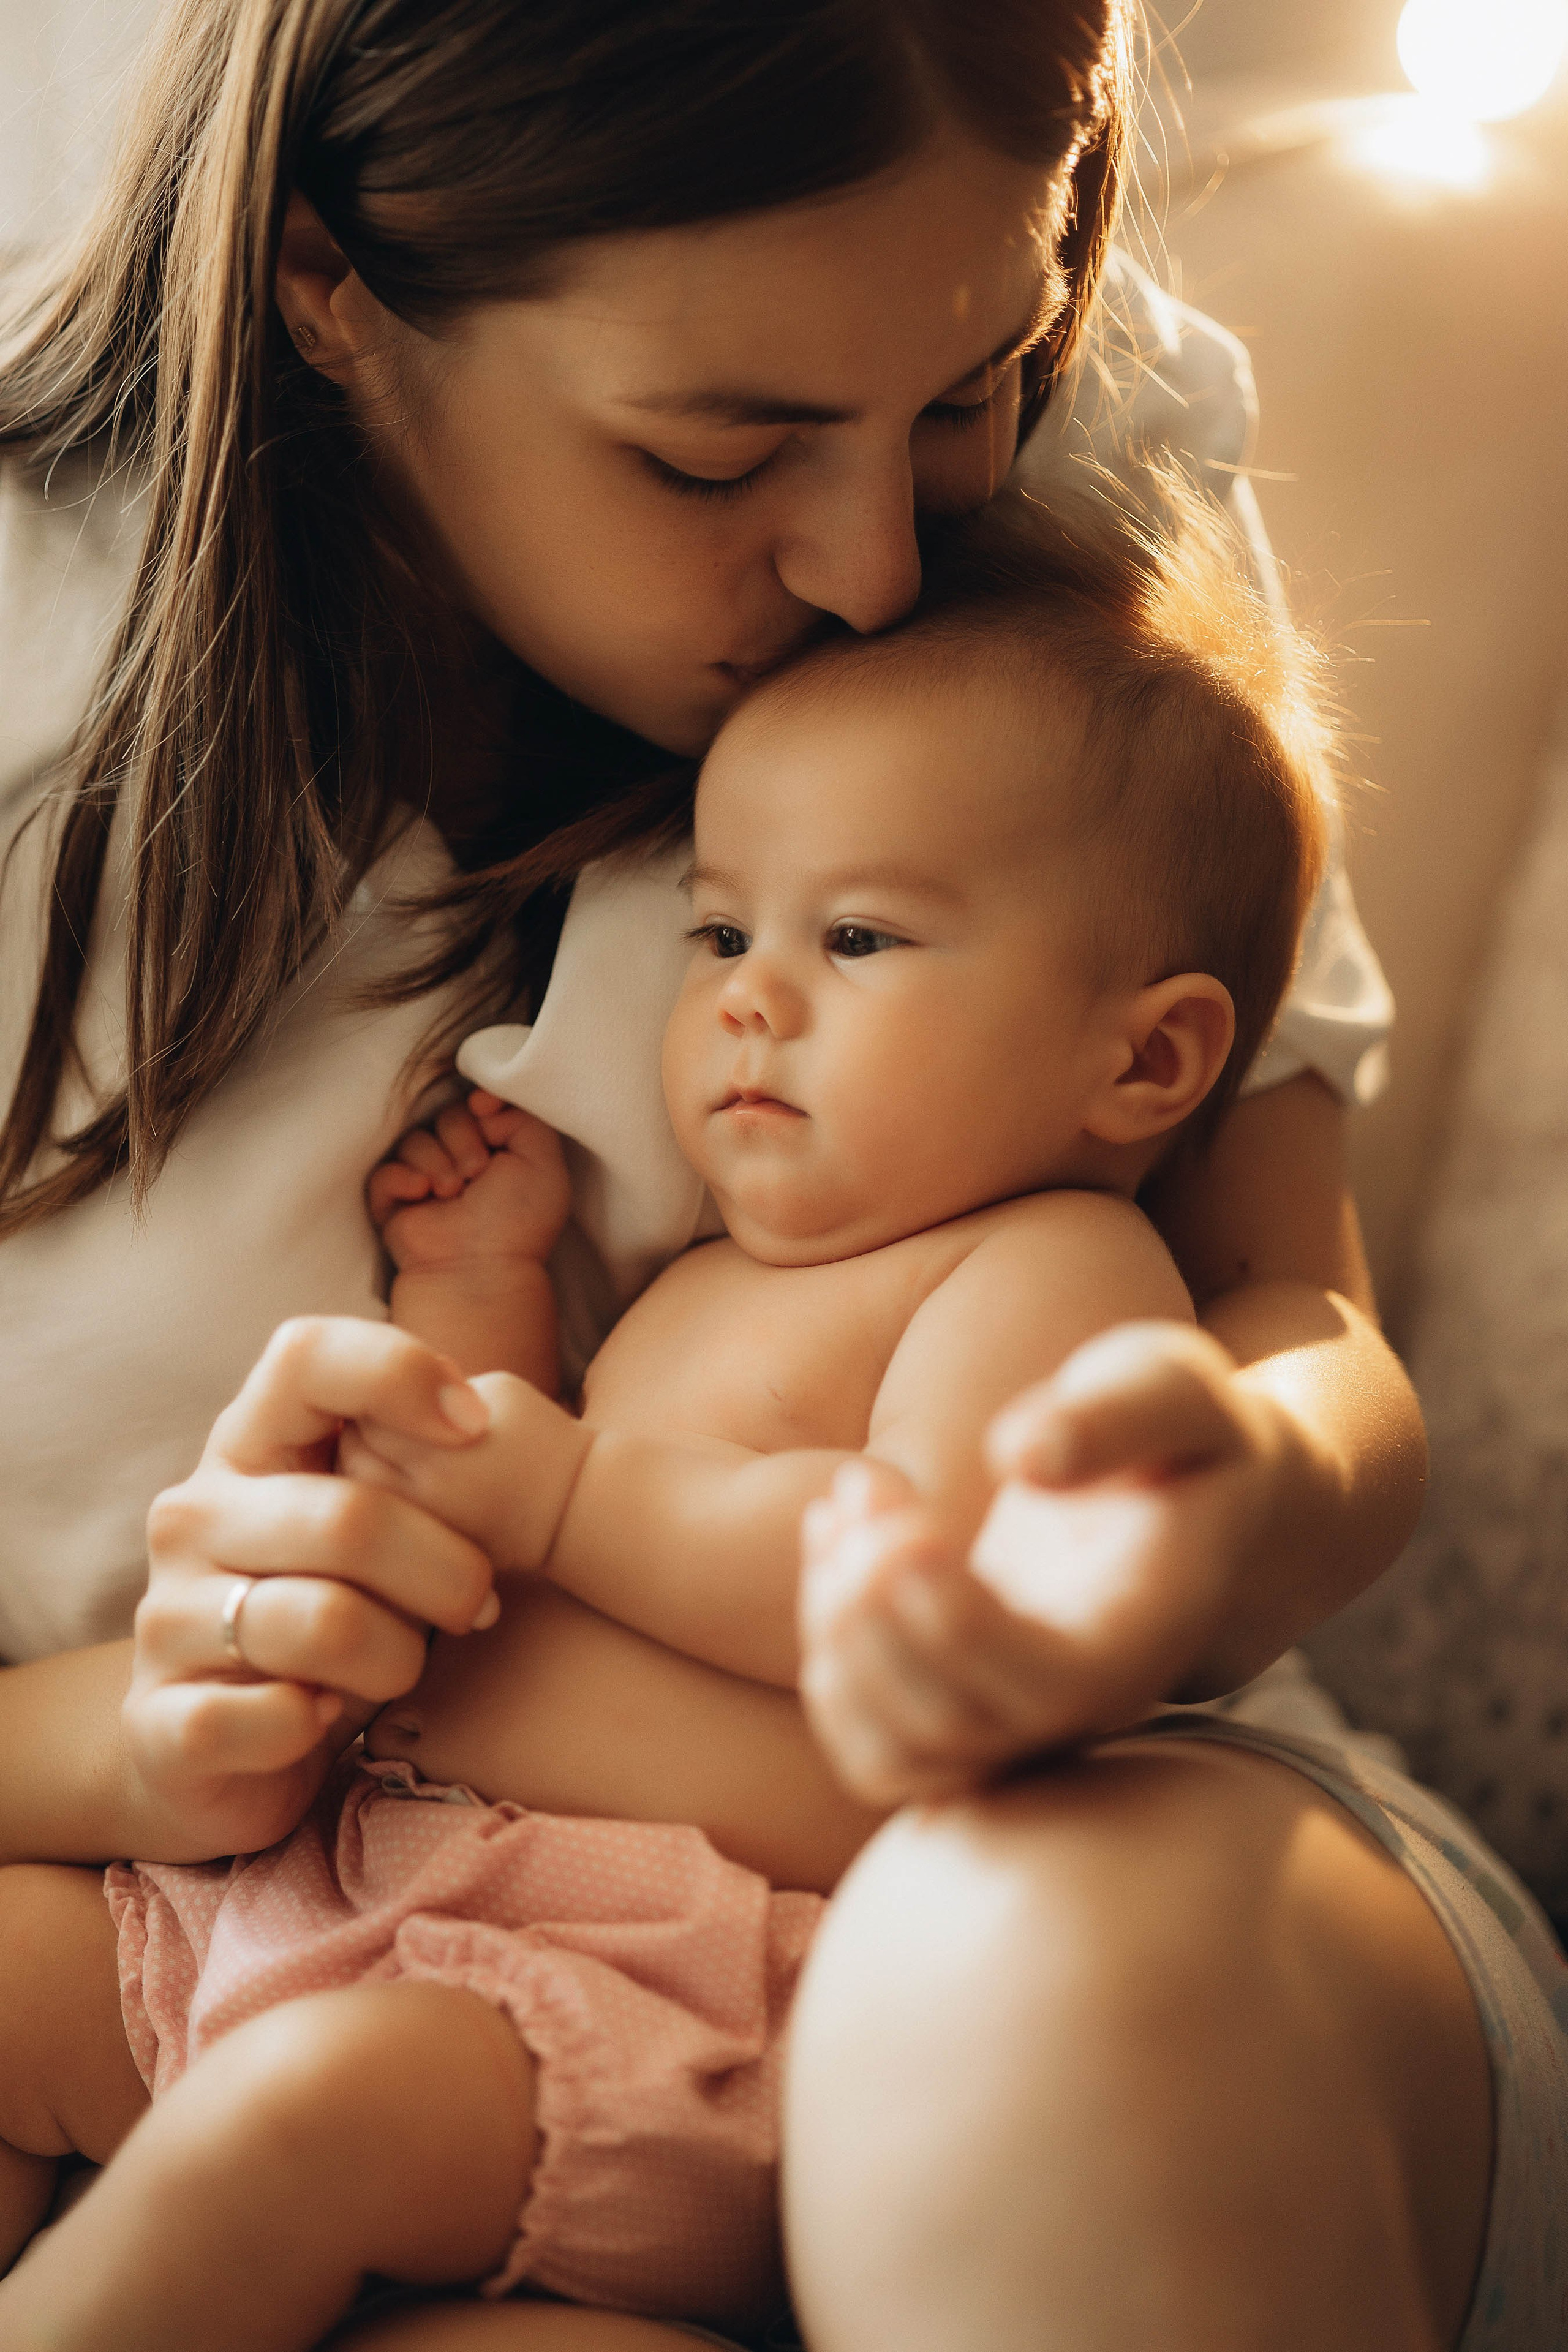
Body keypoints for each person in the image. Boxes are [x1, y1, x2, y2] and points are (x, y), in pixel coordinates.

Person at [0, 2, 1546, 2348]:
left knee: (1028, 1986)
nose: (868, 567)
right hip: (296, 1891)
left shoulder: (1049, 536)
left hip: (1044, 1883)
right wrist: (139, 1726)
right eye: (717, 455)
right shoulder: (52, 672)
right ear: (332, 284)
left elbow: (1291, 1338)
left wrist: (1194, 1509)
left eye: (963, 405)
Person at [0, 485, 1329, 2348]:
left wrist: (562, 1487)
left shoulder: (1056, 1279)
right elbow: (524, 1516)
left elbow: (902, 1587)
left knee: (294, 2129)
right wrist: (482, 1305)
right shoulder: (706, 1271)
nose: (748, 1009)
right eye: (718, 937)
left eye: (857, 942)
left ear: (1149, 1055)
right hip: (352, 1897)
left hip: (655, 1997)